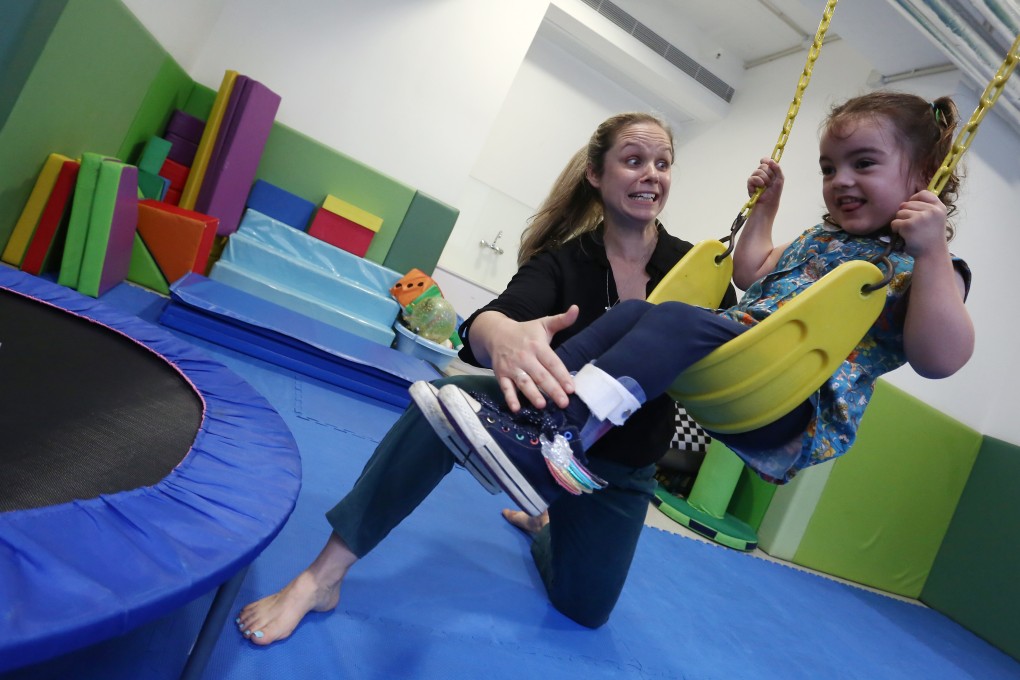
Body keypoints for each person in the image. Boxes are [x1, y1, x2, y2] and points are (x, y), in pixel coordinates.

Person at [235, 111, 739, 641]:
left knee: (584, 609)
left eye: (662, 164)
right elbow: (488, 320)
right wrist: (501, 336)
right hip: (542, 433)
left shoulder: (698, 269)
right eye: (633, 160)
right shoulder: (565, 263)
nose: (651, 175)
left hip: (621, 466)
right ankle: (321, 578)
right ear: (596, 173)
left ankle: (544, 525)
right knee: (441, 401)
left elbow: (734, 349)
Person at [426, 90, 975, 509]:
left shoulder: (929, 268)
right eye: (829, 168)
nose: (840, 181)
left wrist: (928, 254)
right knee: (641, 313)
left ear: (926, 175)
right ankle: (528, 406)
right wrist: (765, 207)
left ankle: (559, 434)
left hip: (790, 400)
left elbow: (941, 358)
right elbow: (753, 268)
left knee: (678, 320)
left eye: (864, 163)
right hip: (740, 357)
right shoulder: (822, 237)